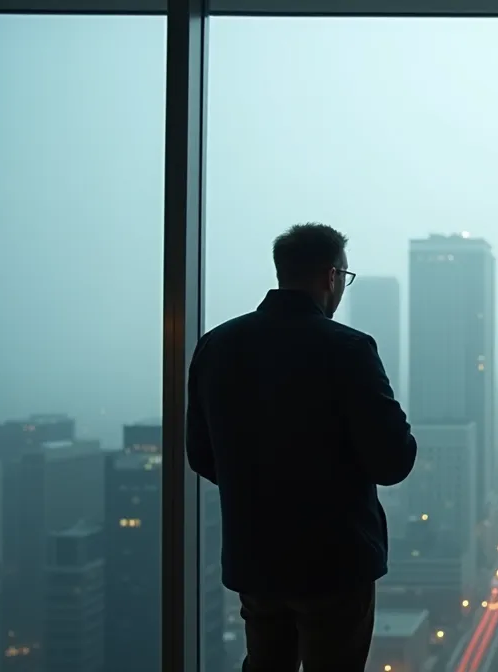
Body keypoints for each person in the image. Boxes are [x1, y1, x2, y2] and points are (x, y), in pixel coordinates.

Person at [186, 223, 417, 671]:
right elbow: (393, 460)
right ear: (331, 276)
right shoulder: (348, 349)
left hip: (255, 555)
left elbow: (201, 454)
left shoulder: (217, 346)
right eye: (344, 279)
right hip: (335, 558)